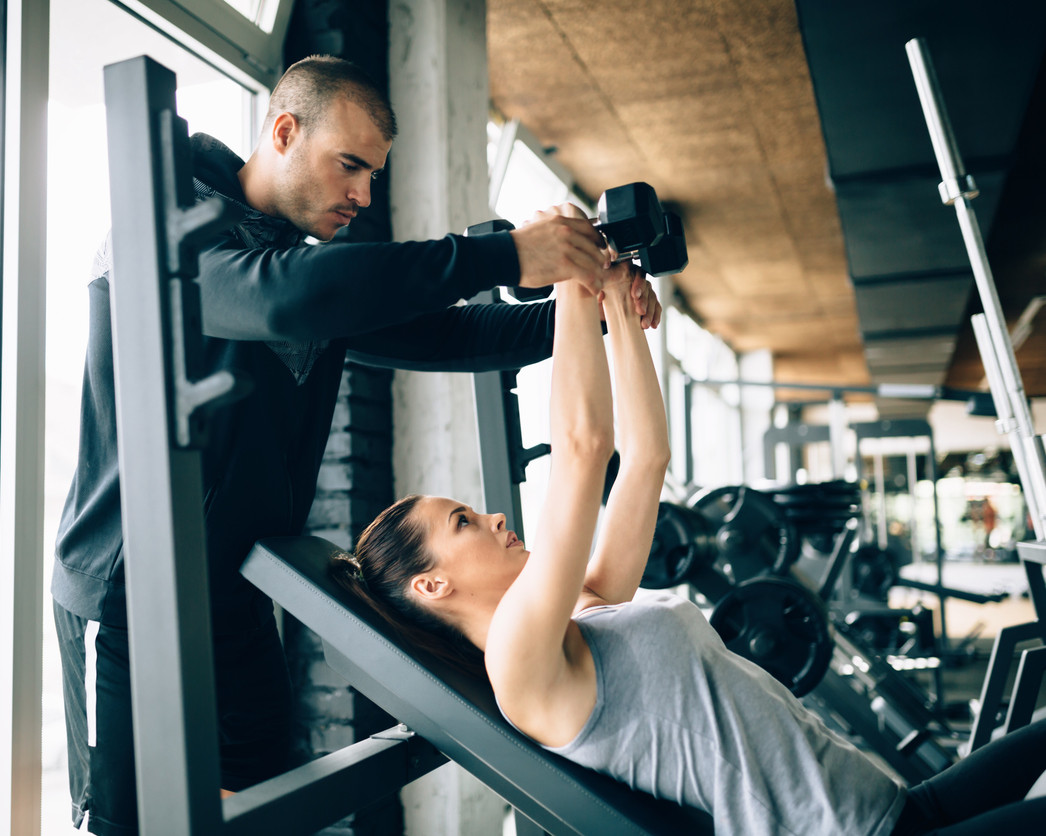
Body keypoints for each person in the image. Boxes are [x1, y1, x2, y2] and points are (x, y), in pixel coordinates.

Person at [52, 55, 658, 836]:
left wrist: (597, 307)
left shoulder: (290, 266)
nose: (363, 195)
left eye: (373, 174)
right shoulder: (169, 236)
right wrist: (505, 256)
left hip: (230, 597)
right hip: (127, 598)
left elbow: (449, 332)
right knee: (129, 827)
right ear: (282, 131)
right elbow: (281, 301)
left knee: (268, 812)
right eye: (351, 165)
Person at [339, 258, 1046, 835]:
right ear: (431, 585)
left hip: (892, 807)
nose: (493, 517)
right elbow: (584, 452)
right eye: (462, 521)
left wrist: (616, 302)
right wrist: (568, 284)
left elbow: (646, 458)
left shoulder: (582, 607)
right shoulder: (519, 665)